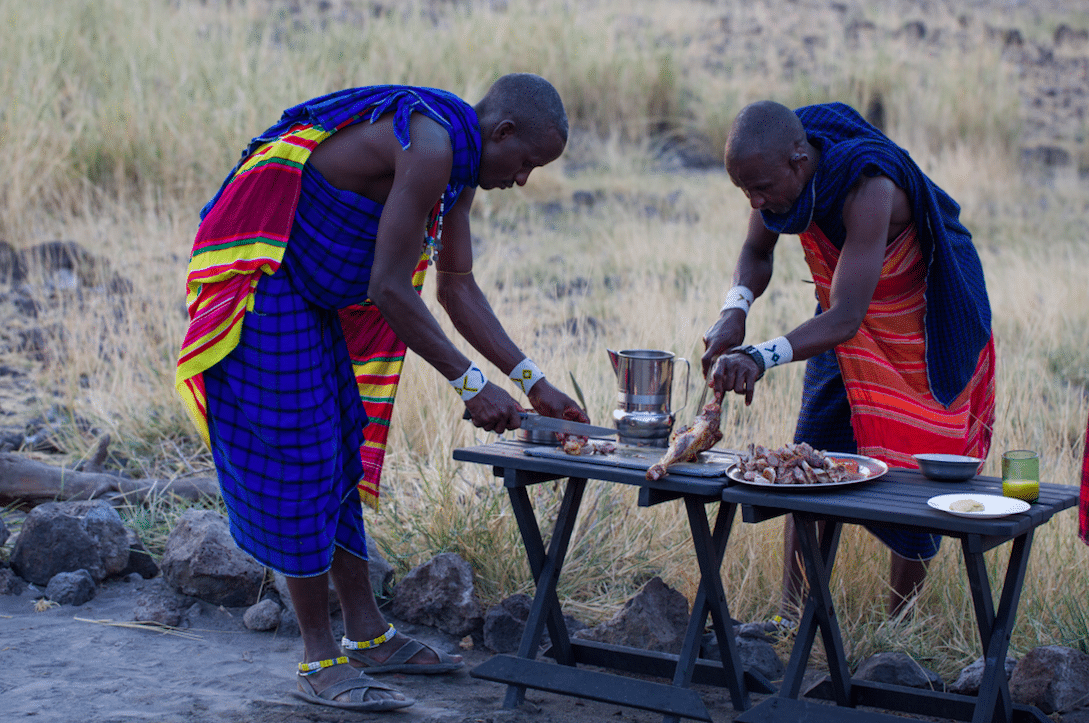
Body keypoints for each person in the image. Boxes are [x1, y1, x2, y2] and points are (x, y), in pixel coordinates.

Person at [175, 75, 589, 711]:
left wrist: (534, 382)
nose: (525, 178)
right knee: (303, 460)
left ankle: (367, 634)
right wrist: (471, 385)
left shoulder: (460, 167)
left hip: (310, 294)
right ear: (502, 133)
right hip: (266, 281)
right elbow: (392, 287)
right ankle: (319, 657)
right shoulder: (430, 148)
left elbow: (458, 289)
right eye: (528, 162)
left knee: (343, 441)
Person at [702, 100, 996, 619]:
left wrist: (760, 356)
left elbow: (844, 319)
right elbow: (758, 252)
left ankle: (898, 628)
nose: (756, 200)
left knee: (914, 470)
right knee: (810, 458)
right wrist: (735, 309)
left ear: (798, 161)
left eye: (761, 188)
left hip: (922, 317)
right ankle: (791, 619)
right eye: (744, 191)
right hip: (846, 310)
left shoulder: (869, 187)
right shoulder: (774, 171)